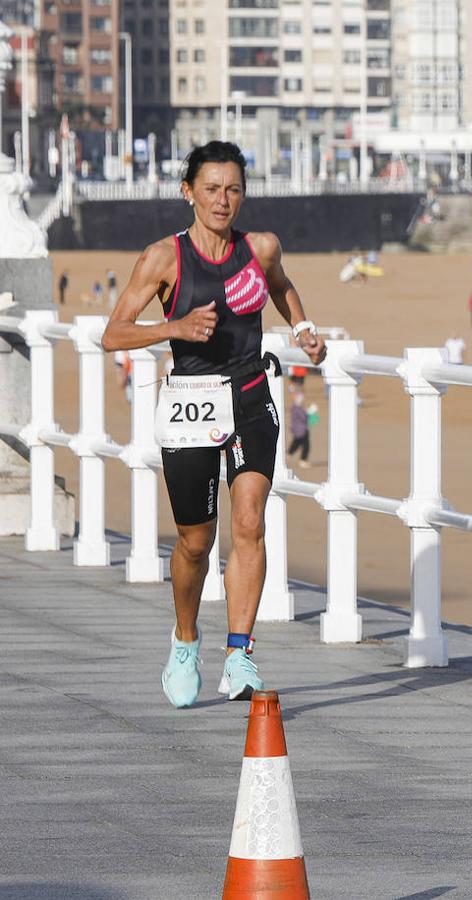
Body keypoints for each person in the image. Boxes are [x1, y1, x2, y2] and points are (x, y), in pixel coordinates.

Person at [99, 140, 327, 709]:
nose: (223, 201)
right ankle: (184, 639)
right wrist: (173, 328)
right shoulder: (163, 258)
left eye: (233, 189)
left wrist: (303, 330)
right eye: (211, 189)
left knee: (249, 520)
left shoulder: (262, 248)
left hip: (251, 395)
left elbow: (282, 290)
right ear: (188, 193)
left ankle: (240, 652)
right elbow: (114, 334)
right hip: (190, 405)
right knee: (196, 542)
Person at [286, 392, 310, 469]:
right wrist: (310, 412)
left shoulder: (295, 408)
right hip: (301, 430)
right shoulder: (297, 409)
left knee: (296, 443)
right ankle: (302, 460)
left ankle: (289, 454)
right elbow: (304, 417)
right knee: (305, 445)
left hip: (298, 430)